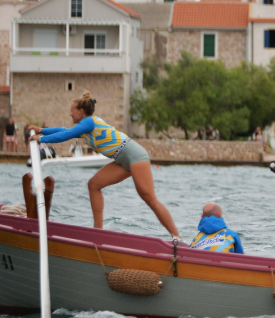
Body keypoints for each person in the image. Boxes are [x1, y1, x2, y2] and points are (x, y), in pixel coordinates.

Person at [27, 91, 181, 240]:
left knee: (149, 198)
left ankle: (177, 238)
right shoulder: (85, 126)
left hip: (135, 156)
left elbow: (66, 135)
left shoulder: (89, 122)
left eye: (72, 111)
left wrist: (40, 140)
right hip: (122, 159)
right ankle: (98, 232)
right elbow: (64, 130)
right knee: (94, 185)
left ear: (81, 111)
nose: (70, 114)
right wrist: (41, 130)